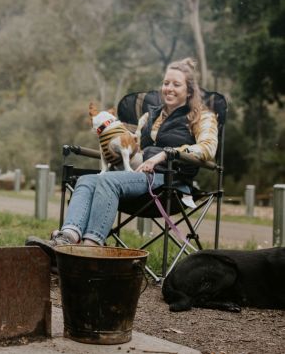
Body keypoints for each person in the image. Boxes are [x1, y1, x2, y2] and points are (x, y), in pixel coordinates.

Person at [26, 57, 218, 258]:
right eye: (166, 83)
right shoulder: (149, 117)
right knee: (87, 180)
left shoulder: (202, 116)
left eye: (176, 84)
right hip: (138, 176)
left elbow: (207, 148)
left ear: (189, 91)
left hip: (169, 182)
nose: (169, 88)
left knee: (108, 180)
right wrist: (112, 140)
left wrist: (166, 154)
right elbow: (133, 145)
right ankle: (67, 239)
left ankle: (91, 248)